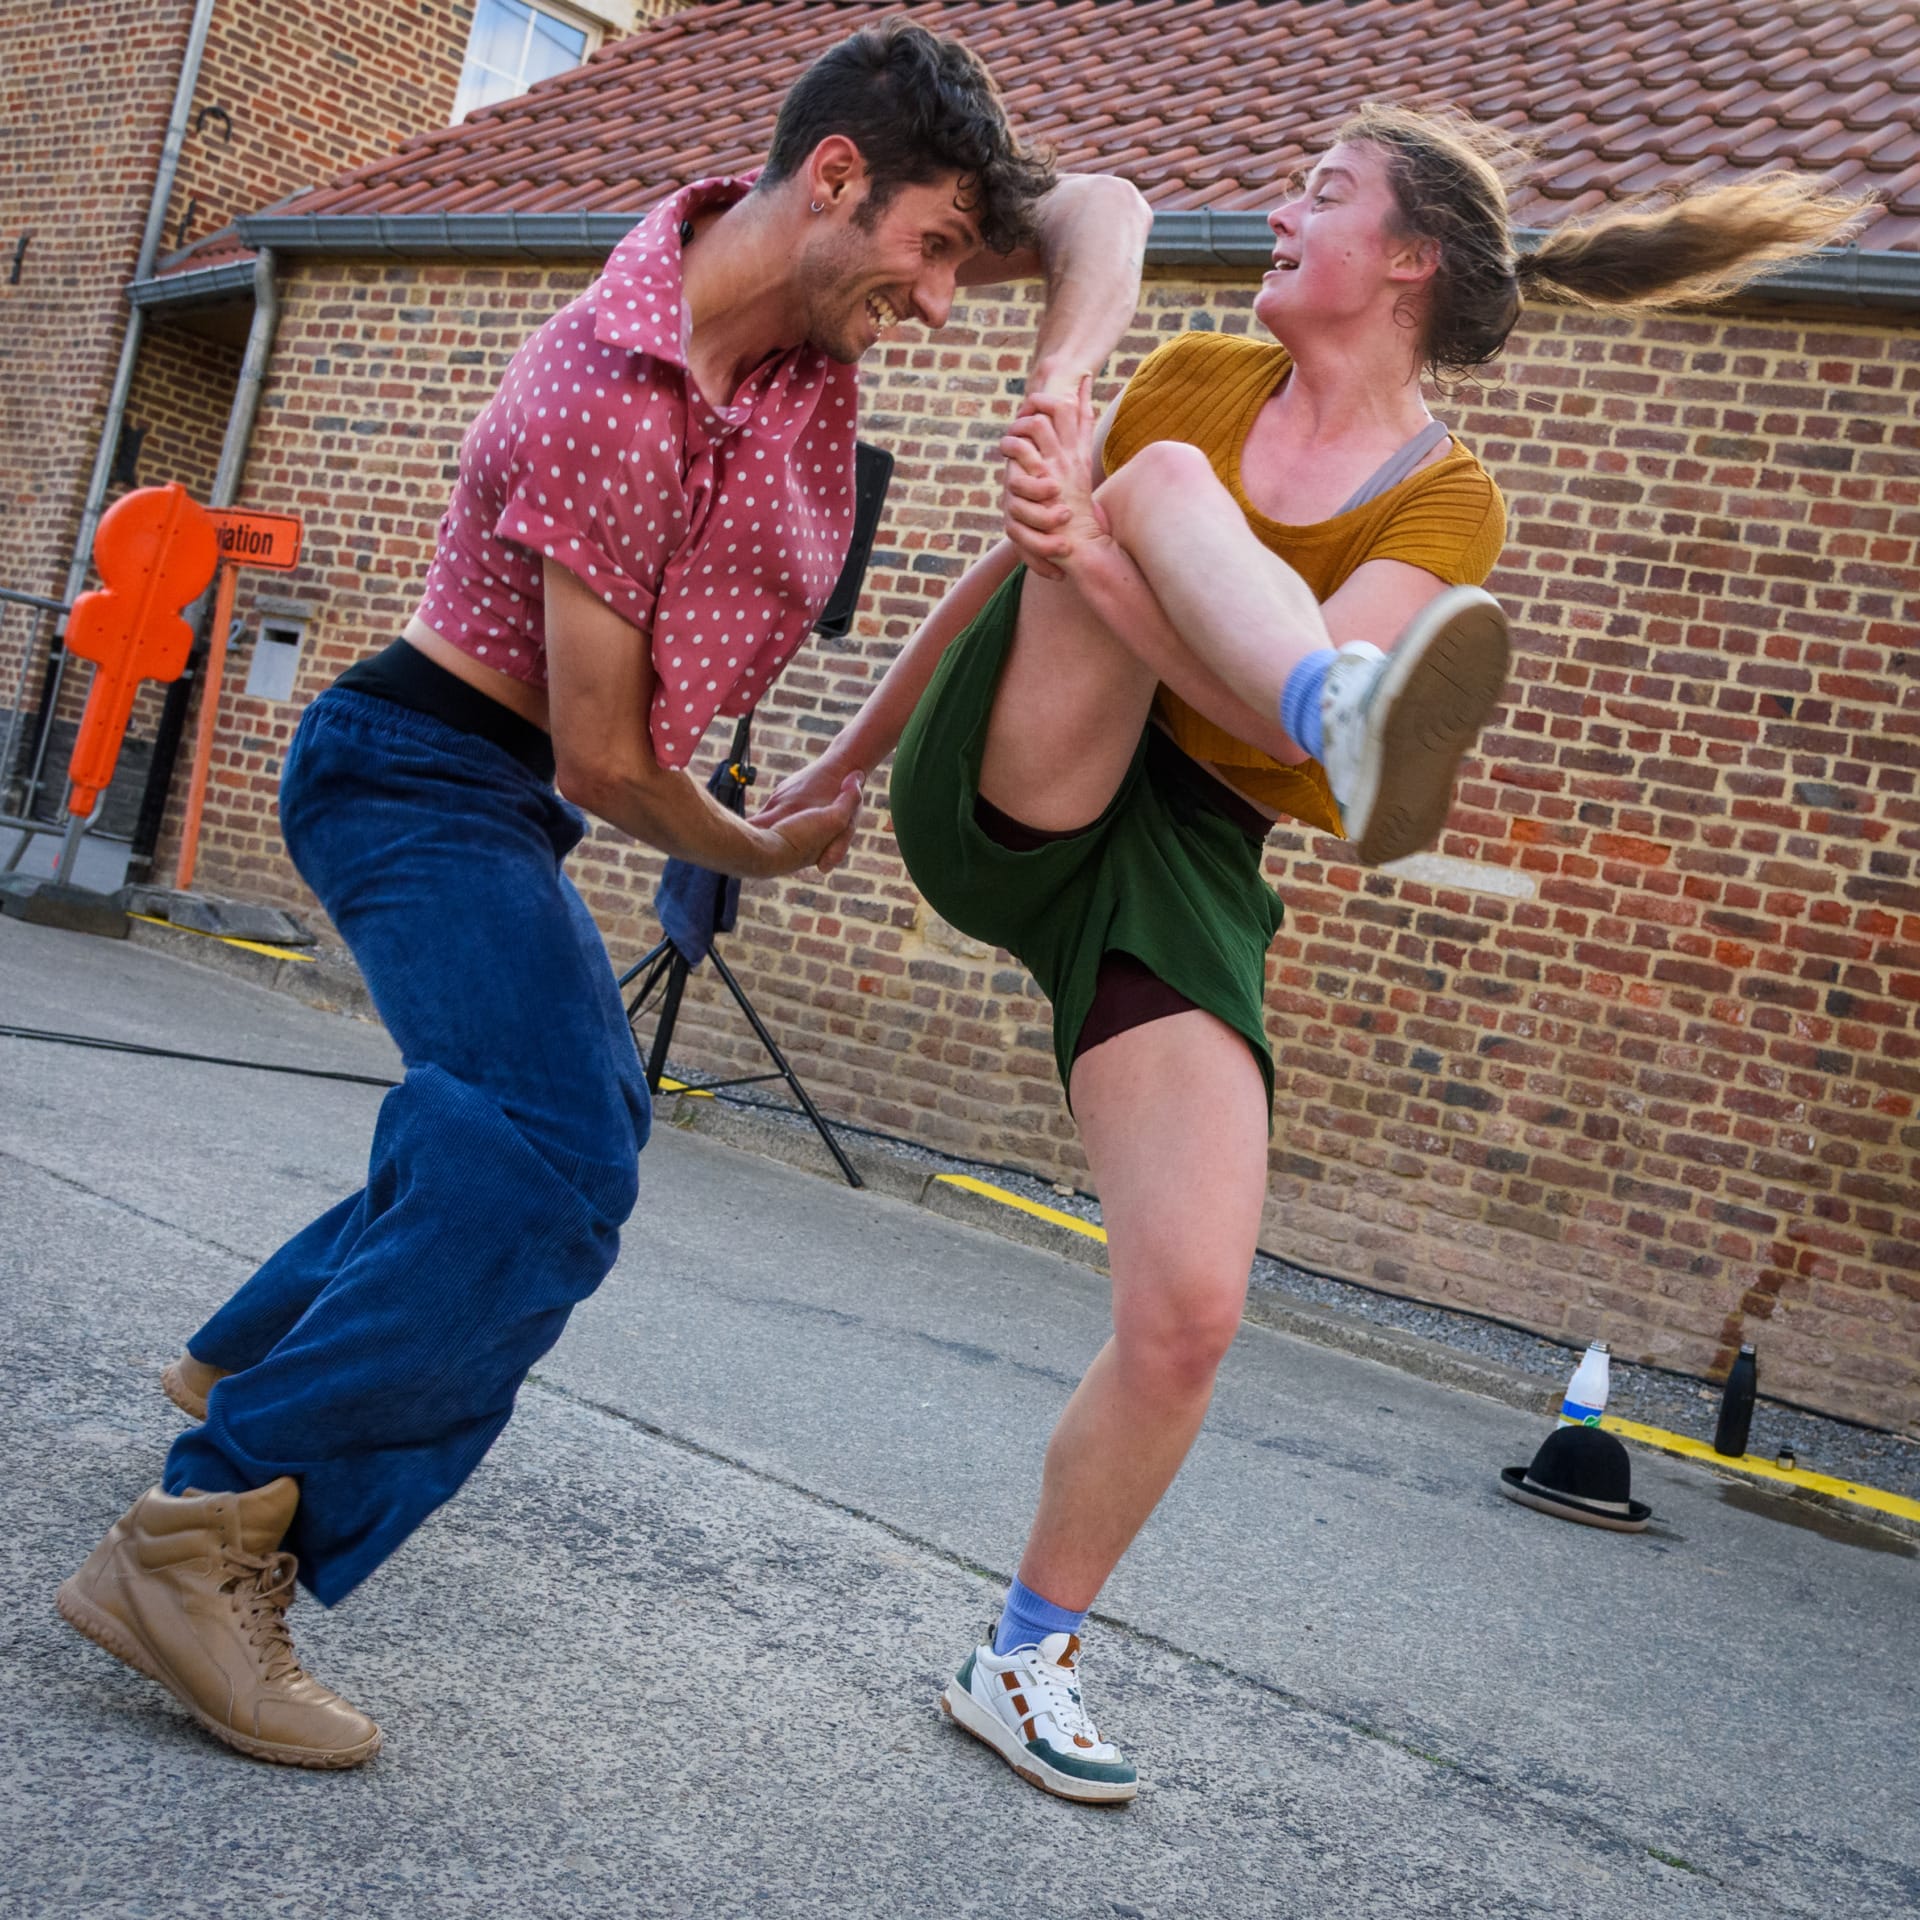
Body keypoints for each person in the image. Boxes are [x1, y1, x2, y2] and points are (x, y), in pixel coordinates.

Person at [57, 19, 1152, 1769]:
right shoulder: (608, 396)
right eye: (938, 250)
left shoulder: (790, 301)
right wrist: (756, 846)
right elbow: (607, 762)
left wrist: (1064, 384)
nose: (949, 300)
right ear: (837, 182)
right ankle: (204, 1536)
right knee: (560, 1150)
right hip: (414, 776)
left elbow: (1103, 206)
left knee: (517, 1122)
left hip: (487, 795)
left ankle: (253, 1357)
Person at [756, 105, 1861, 1803]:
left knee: (1192, 1311)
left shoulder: (1448, 505)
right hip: (1033, 769)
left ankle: (1023, 1656)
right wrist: (840, 763)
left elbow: (1239, 731)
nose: (1280, 212)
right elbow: (1014, 570)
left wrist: (1111, 568)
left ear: (1408, 260)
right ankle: (1338, 698)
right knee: (1157, 483)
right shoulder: (1196, 380)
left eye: (1321, 194)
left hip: (1195, 845)